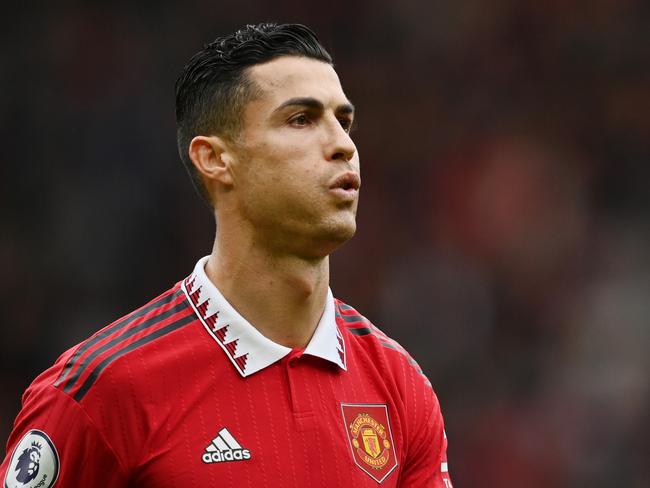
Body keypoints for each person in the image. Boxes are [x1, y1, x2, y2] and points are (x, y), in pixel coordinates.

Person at [1, 23, 453, 487]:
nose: (343, 145)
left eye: (344, 121)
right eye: (301, 119)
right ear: (215, 159)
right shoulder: (106, 390)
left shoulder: (398, 383)